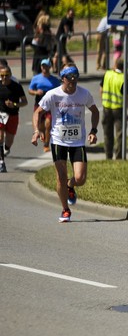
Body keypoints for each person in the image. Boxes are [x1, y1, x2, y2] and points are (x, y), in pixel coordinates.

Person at [32, 65, 100, 223]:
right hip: (58, 140)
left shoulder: (84, 94)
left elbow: (95, 112)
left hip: (77, 141)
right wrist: (37, 131)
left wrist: (93, 131)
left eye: (76, 76)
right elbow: (37, 112)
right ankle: (65, 210)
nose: (73, 80)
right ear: (62, 78)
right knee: (60, 177)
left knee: (80, 178)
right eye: (70, 77)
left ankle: (71, 186)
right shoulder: (53, 95)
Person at [99, 57, 128, 160]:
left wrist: (104, 102)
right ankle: (119, 157)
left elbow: (101, 90)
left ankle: (108, 156)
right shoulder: (123, 78)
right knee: (120, 135)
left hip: (106, 108)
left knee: (107, 134)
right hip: (118, 109)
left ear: (115, 65)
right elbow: (127, 97)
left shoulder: (107, 74)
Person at [0, 64, 28, 173]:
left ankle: (6, 149)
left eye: (6, 75)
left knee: (9, 141)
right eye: (2, 75)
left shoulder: (16, 86)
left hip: (13, 115)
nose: (4, 77)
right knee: (0, 137)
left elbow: (25, 102)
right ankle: (2, 162)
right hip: (1, 114)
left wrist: (15, 104)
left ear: (10, 75)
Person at [28, 58, 60, 153]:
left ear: (50, 67)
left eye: (46, 66)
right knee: (40, 126)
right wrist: (36, 92)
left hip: (50, 105)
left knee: (48, 124)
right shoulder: (36, 78)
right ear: (41, 67)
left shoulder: (54, 80)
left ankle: (46, 145)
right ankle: (42, 135)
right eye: (43, 66)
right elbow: (30, 90)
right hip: (39, 104)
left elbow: (59, 91)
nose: (45, 68)